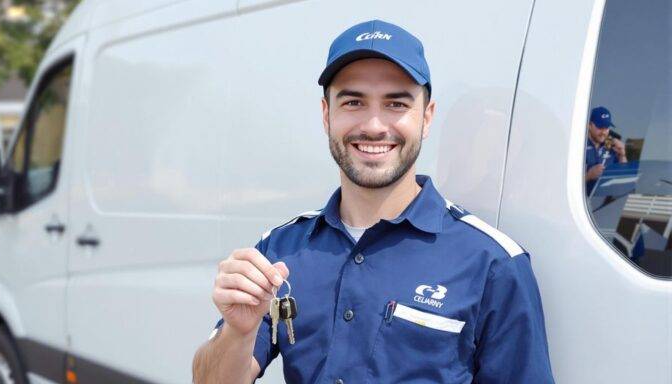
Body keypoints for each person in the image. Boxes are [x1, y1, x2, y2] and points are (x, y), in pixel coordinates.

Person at [192, 20, 555, 383]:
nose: (375, 125)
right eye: (353, 101)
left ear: (426, 118)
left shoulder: (494, 265)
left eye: (396, 103)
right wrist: (238, 333)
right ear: (326, 115)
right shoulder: (282, 249)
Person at [585, 106, 628, 195]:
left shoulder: (611, 144)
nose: (604, 132)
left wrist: (622, 155)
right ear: (589, 125)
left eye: (607, 127)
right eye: (600, 127)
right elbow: (562, 182)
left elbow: (624, 178)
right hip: (581, 203)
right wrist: (588, 176)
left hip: (605, 205)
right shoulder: (579, 145)